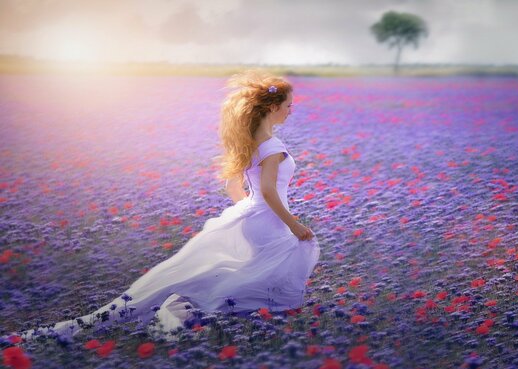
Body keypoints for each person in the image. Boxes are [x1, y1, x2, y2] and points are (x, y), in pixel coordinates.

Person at [16, 70, 320, 342]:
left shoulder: (250, 141)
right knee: (257, 280)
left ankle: (190, 314)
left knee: (248, 276)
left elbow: (234, 187)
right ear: (272, 107)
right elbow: (268, 190)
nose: (291, 111)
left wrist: (250, 212)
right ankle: (180, 316)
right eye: (289, 105)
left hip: (253, 218)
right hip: (269, 221)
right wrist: (292, 224)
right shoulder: (273, 146)